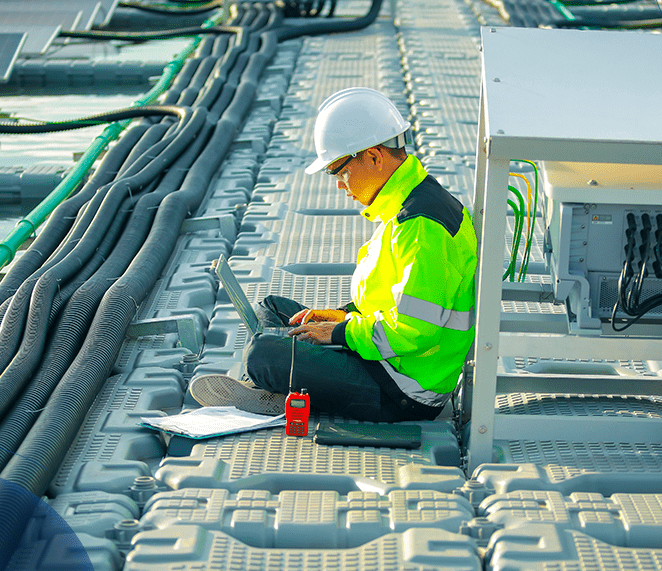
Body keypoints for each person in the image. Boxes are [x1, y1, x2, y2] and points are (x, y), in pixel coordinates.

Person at [189, 87, 477, 422]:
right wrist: (340, 317)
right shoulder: (406, 205)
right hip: (385, 357)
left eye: (340, 171)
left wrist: (341, 333)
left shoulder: (422, 226)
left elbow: (414, 330)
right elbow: (392, 301)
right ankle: (282, 382)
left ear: (373, 157)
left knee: (263, 355)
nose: (340, 184)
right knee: (272, 308)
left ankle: (275, 385)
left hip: (402, 387)